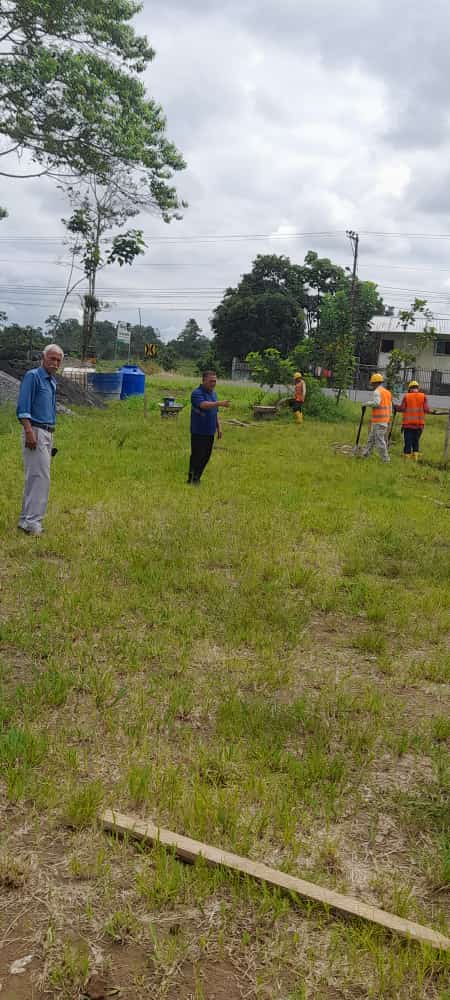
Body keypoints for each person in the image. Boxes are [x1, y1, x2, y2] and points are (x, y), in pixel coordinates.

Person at [16, 343, 64, 535]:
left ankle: (25, 520)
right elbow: (23, 407)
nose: (55, 363)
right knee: (41, 479)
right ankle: (33, 523)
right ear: (43, 358)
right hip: (35, 431)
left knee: (35, 478)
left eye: (58, 360)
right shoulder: (33, 377)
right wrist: (29, 432)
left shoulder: (52, 381)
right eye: (52, 358)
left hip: (47, 432)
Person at [188, 371, 230, 484]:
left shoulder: (213, 394)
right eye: (211, 381)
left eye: (215, 381)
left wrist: (219, 427)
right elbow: (203, 405)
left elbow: (215, 412)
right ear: (203, 380)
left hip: (210, 431)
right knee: (197, 455)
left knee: (206, 456)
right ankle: (191, 479)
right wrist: (219, 403)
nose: (213, 383)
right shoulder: (196, 393)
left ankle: (197, 477)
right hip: (198, 431)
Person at [361, 372, 392, 463]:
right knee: (371, 439)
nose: (372, 385)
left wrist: (366, 403)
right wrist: (389, 417)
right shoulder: (387, 392)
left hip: (379, 421)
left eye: (372, 383)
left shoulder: (377, 392)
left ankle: (386, 460)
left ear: (374, 383)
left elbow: (376, 403)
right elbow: (390, 406)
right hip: (383, 420)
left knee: (380, 441)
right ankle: (365, 455)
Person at [396, 380, 430, 461]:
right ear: (417, 388)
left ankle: (406, 459)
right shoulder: (423, 396)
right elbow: (426, 409)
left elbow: (402, 408)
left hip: (408, 425)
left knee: (408, 442)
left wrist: (396, 407)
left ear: (410, 388)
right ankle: (415, 458)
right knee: (416, 441)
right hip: (419, 425)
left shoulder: (407, 396)